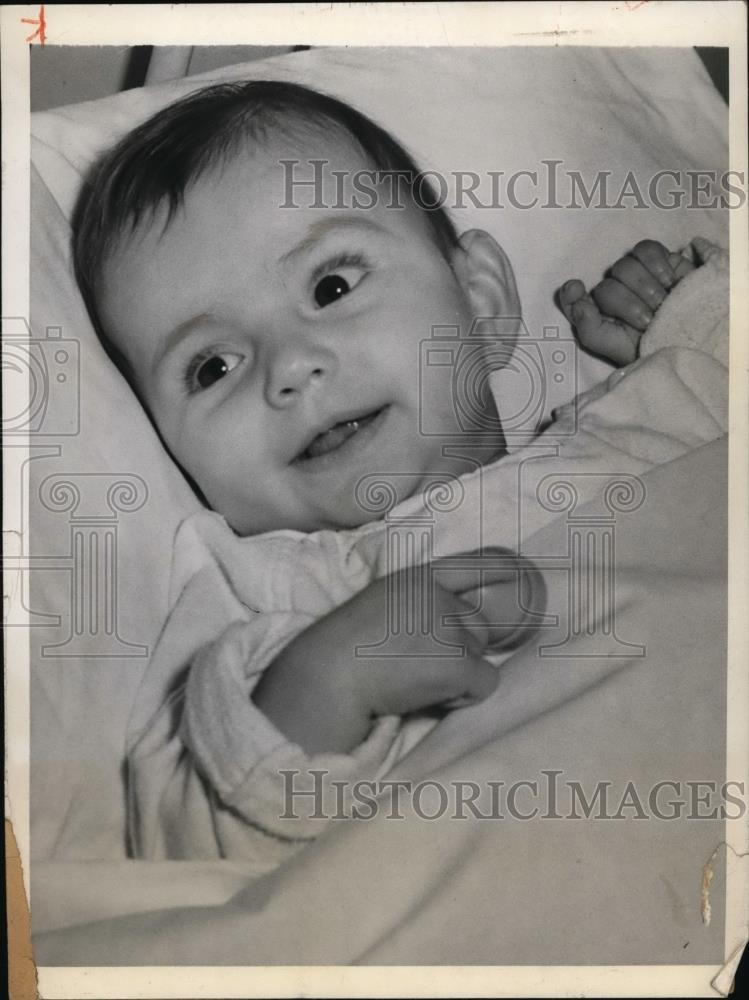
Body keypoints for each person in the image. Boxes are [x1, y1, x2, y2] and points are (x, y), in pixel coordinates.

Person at [72, 80, 727, 864]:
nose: (290, 368)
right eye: (211, 366)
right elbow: (187, 868)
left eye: (331, 286)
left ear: (478, 300)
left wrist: (695, 316)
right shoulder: (262, 598)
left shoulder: (653, 413)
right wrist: (317, 688)